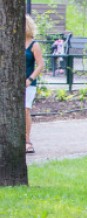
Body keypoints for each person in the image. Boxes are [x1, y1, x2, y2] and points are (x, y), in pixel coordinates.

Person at [24, 15, 45, 154]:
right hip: (13, 83)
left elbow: (41, 64)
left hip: (28, 84)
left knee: (25, 109)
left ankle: (27, 141)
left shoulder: (33, 45)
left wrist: (30, 79)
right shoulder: (13, 42)